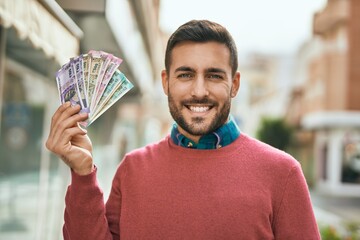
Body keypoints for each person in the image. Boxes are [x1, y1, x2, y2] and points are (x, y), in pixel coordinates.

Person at [46, 20, 321, 239]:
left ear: (235, 84)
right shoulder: (132, 169)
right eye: (185, 75)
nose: (199, 91)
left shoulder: (282, 173)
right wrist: (82, 175)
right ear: (166, 82)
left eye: (214, 75)